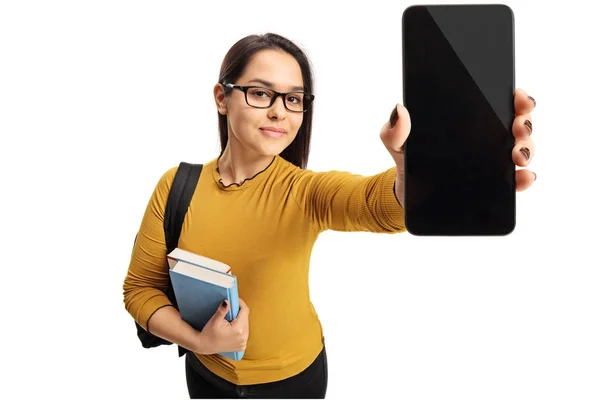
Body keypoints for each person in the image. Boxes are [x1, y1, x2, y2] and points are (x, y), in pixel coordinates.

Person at [122, 32, 537, 399]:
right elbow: (140, 290)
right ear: (221, 97)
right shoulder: (176, 185)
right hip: (206, 377)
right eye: (261, 93)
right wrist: (200, 341)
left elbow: (375, 204)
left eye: (294, 99)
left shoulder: (304, 192)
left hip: (295, 381)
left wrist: (417, 168)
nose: (280, 112)